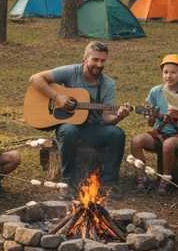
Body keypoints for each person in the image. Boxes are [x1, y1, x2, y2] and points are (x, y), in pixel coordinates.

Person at [29, 41, 131, 191]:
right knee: (69, 130)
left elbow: (105, 118)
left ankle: (109, 184)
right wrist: (58, 97)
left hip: (93, 129)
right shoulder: (71, 71)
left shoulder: (108, 84)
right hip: (68, 126)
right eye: (95, 59)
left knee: (117, 134)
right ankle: (68, 183)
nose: (99, 64)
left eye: (103, 60)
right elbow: (35, 78)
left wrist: (119, 117)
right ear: (85, 58)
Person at [131, 54, 178, 196]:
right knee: (136, 141)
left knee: (168, 144)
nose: (169, 76)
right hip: (160, 133)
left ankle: (165, 179)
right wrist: (151, 117)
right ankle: (142, 177)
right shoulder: (156, 91)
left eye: (173, 72)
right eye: (166, 72)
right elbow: (151, 123)